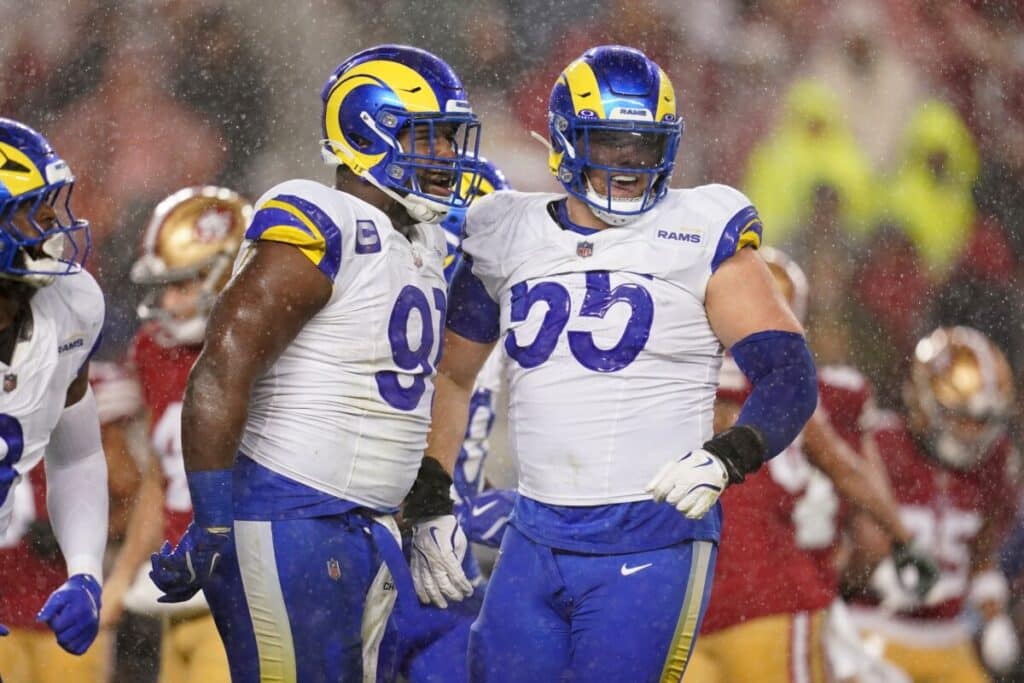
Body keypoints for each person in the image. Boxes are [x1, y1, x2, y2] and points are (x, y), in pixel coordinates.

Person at [429, 45, 819, 682]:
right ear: (564, 140)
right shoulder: (506, 231)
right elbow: (452, 375)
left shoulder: (701, 231)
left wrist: (730, 456)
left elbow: (789, 372)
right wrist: (429, 496)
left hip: (650, 538)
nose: (631, 165)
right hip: (535, 536)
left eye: (645, 146)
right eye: (610, 144)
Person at [148, 45, 483, 681]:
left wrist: (427, 504)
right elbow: (223, 366)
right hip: (288, 518)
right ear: (366, 132)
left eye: (449, 139)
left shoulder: (424, 239)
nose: (446, 157)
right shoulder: (321, 216)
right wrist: (215, 524)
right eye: (428, 137)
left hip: (367, 524)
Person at [684, 248, 933, 683]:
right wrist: (903, 537)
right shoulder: (796, 390)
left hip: (685, 603)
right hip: (771, 595)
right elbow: (845, 470)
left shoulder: (678, 376)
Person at [102, 186, 250, 683]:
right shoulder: (156, 352)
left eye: (183, 283)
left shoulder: (264, 355)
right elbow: (160, 482)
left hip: (245, 596)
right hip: (180, 596)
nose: (167, 300)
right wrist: (119, 581)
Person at [382, 157, 517, 683]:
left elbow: (462, 447)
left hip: (446, 565)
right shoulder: (382, 316)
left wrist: (472, 495)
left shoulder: (486, 334)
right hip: (382, 554)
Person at [845, 326, 1019, 683]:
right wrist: (873, 575)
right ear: (923, 402)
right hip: (873, 632)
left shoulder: (996, 461)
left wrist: (992, 612)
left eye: (983, 420)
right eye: (961, 416)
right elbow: (836, 554)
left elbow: (982, 553)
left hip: (950, 638)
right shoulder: (881, 444)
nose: (972, 432)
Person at [0, 118, 107, 665]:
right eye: (33, 208)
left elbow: (78, 456)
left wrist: (85, 571)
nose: (52, 223)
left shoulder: (72, 307)